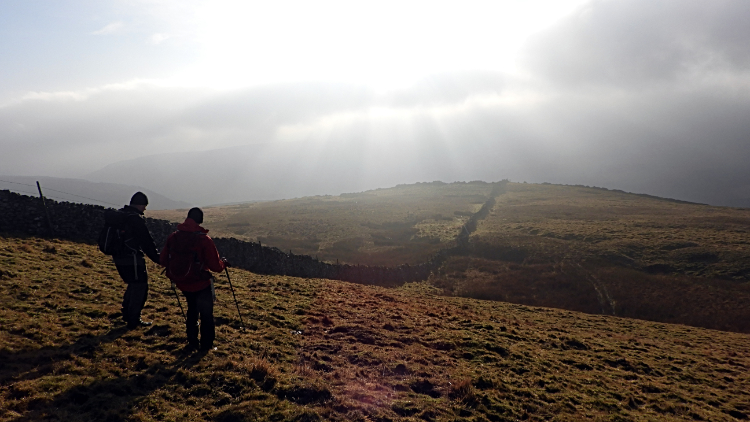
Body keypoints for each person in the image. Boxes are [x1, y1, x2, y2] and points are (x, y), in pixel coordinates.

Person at [160, 207, 228, 352]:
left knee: (192, 310)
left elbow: (163, 259)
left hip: (182, 282)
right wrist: (224, 264)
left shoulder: (174, 236)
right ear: (200, 220)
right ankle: (206, 346)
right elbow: (215, 266)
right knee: (206, 314)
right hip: (200, 283)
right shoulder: (203, 239)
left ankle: (192, 342)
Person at [114, 191, 161, 329]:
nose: (145, 209)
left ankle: (127, 313)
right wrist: (158, 259)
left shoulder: (121, 215)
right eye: (144, 205)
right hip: (133, 258)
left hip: (118, 257)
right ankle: (134, 319)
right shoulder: (135, 219)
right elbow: (146, 242)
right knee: (140, 286)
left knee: (133, 284)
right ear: (140, 205)